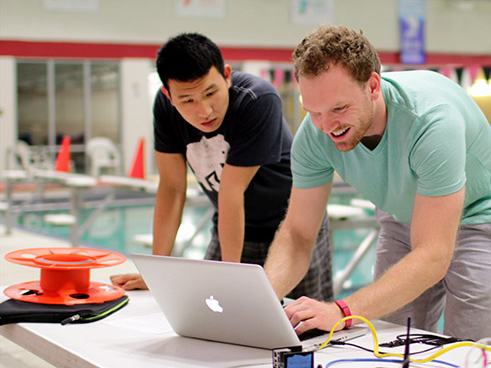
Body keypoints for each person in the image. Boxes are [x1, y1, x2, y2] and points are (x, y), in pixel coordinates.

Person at [264, 25, 491, 341]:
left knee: (473, 350)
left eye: (339, 108)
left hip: (481, 217)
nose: (326, 126)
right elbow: (298, 234)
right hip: (403, 217)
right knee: (388, 339)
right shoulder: (315, 134)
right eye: (313, 111)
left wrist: (343, 312)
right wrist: (259, 300)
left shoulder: (431, 123)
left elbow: (433, 254)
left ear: (372, 86)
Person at [111, 33, 333, 302]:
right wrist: (155, 270)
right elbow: (171, 188)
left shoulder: (257, 99)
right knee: (214, 318)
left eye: (210, 93)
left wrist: (230, 277)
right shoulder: (165, 108)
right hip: (229, 226)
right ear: (169, 96)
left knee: (301, 325)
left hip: (293, 229)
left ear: (226, 75)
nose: (204, 111)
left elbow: (231, 191)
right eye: (187, 100)